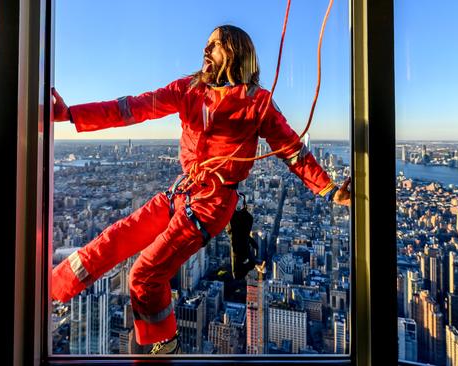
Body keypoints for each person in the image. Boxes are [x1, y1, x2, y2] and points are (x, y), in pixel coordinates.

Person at [51, 25, 350, 355]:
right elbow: (132, 108)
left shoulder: (257, 103)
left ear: (235, 52)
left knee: (144, 274)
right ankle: (51, 288)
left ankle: (163, 344)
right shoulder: (188, 90)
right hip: (183, 189)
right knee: (115, 238)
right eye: (206, 45)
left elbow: (292, 149)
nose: (206, 51)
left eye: (216, 45)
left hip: (213, 202)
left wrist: (329, 189)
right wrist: (69, 115)